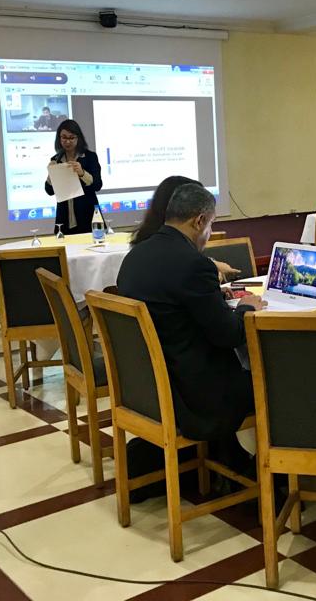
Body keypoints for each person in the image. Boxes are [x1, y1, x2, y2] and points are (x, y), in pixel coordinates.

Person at [116, 183, 264, 457]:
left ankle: (230, 456)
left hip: (146, 388)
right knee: (277, 383)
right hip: (194, 396)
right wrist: (245, 307)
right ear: (199, 221)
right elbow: (228, 335)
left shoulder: (135, 256)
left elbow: (174, 303)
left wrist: (212, 296)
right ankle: (268, 467)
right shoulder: (194, 264)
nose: (209, 232)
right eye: (211, 224)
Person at [44, 120, 102, 235]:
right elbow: (49, 191)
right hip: (64, 218)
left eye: (71, 138)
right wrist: (51, 175)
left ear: (78, 138)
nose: (67, 141)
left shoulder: (90, 157)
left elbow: (97, 185)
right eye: (64, 137)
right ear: (59, 138)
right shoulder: (56, 159)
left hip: (88, 216)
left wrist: (82, 173)